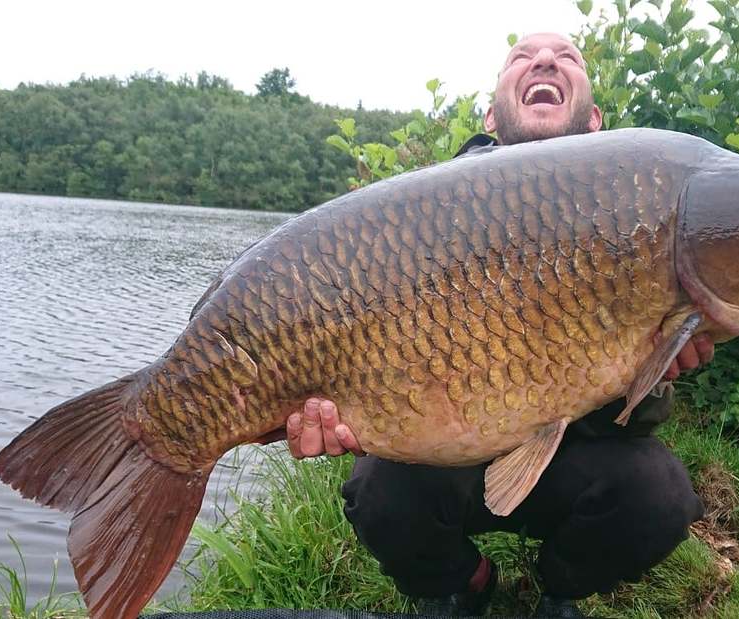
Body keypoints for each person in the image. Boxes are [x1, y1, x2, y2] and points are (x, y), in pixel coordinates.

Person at [285, 33, 713, 617]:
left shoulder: (637, 218)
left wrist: (659, 372)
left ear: (594, 122)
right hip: (448, 457)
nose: (544, 61)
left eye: (568, 58)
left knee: (659, 496)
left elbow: (635, 423)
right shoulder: (432, 217)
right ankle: (466, 581)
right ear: (491, 117)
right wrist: (332, 414)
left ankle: (558, 590)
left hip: (573, 454)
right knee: (378, 493)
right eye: (523, 56)